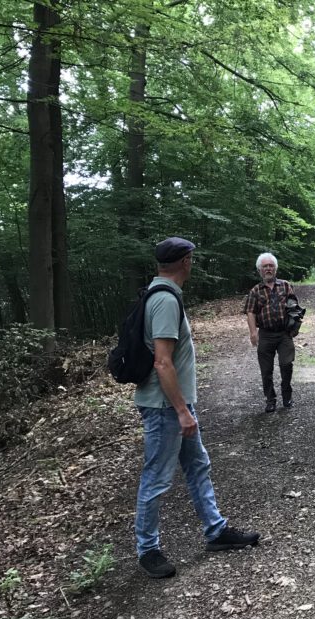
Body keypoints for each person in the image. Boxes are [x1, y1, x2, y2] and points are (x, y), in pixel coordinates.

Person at [134, 237, 260, 578]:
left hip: (174, 406)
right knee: (157, 479)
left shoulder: (163, 294)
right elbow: (163, 363)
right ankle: (147, 550)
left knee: (197, 465)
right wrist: (181, 411)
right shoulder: (164, 301)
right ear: (186, 261)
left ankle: (216, 530)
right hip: (164, 407)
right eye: (192, 258)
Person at [243, 253, 302, 413]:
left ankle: (287, 396)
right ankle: (270, 400)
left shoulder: (285, 285)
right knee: (266, 370)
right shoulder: (255, 291)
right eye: (265, 266)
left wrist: (295, 326)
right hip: (266, 335)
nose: (268, 269)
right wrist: (253, 332)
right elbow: (250, 312)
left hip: (284, 334)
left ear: (275, 269)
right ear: (259, 270)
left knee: (286, 364)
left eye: (271, 266)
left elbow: (295, 307)